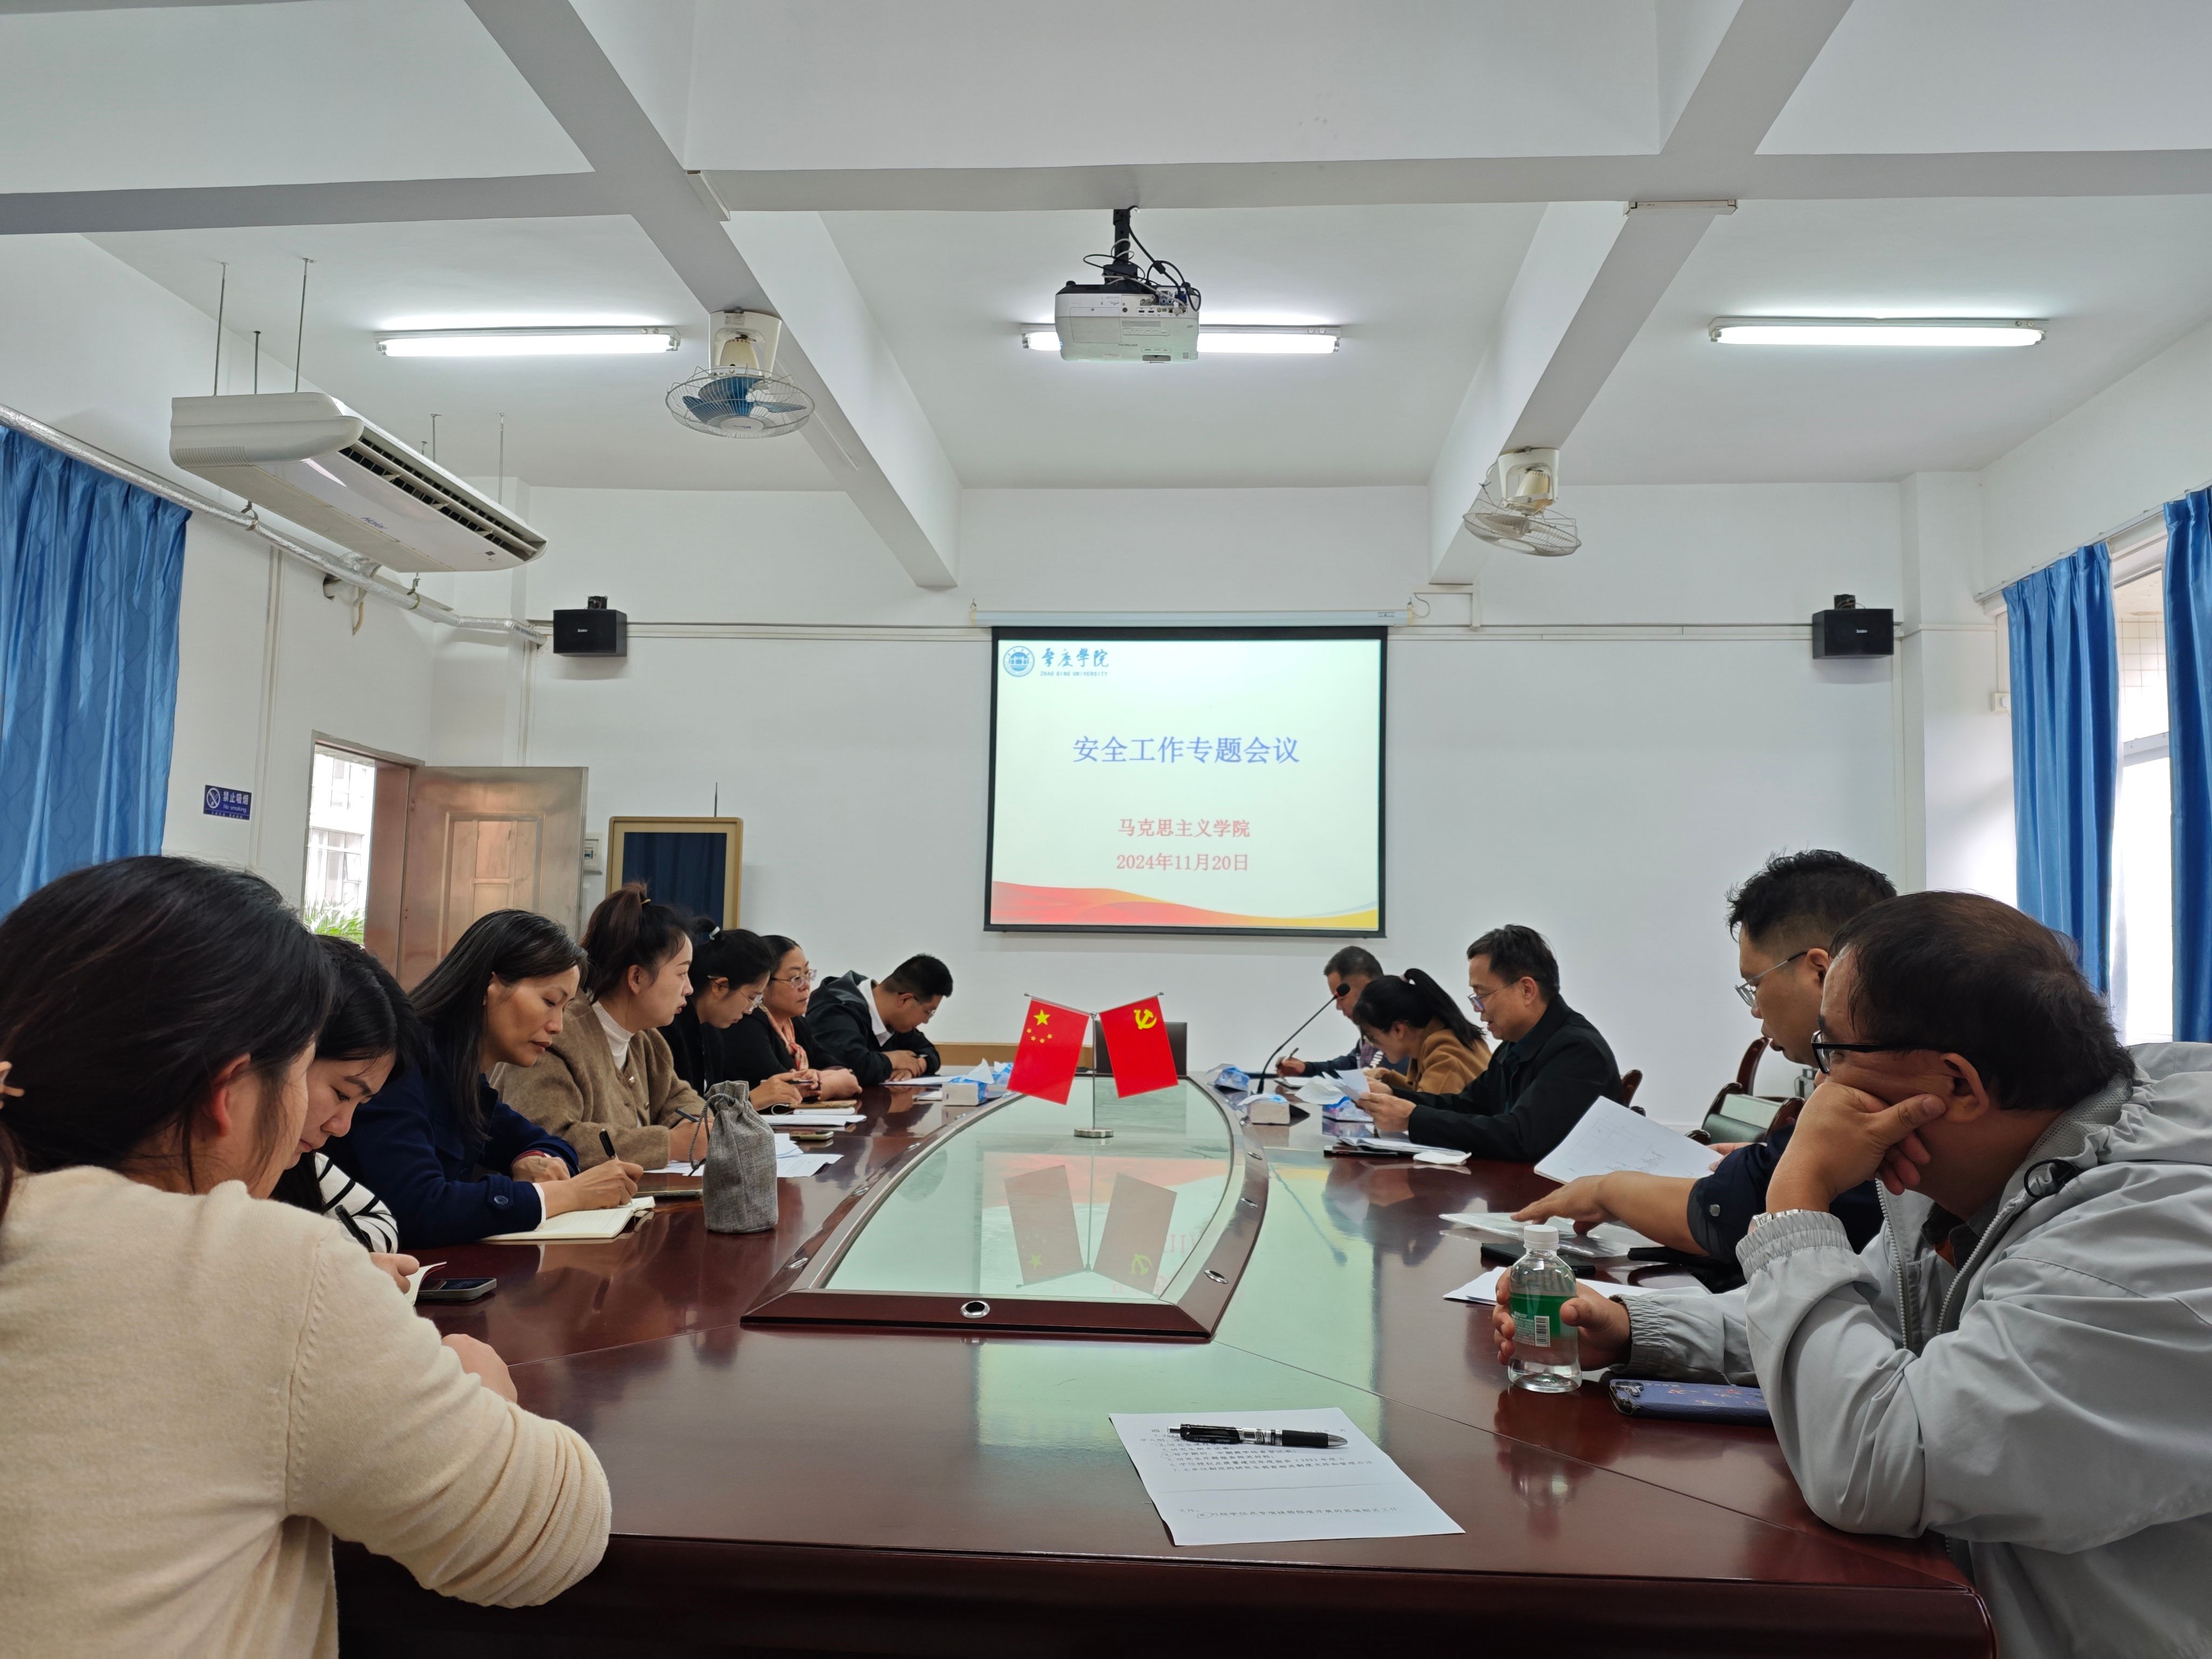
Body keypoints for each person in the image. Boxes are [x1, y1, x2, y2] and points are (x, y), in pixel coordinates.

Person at [1489, 892, 2212, 1659]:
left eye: (1832, 1051)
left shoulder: (2147, 1248)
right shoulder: (1982, 1166)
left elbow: (1877, 1466)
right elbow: (1861, 1323)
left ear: (1956, 1085)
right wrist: (1640, 1328)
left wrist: (1797, 1192)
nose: (1819, 1084)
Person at [0, 857, 609, 1653]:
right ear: (228, 1093)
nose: (329, 1123)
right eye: (309, 1073)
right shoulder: (254, 1269)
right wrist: (477, 1379)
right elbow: (550, 1533)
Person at [1513, 851, 1893, 1257]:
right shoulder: (1870, 1067)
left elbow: (1732, 1215)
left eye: (1755, 984)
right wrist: (1771, 1160)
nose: (1755, 1009)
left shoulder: (1875, 1087)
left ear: (1820, 972)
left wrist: (1606, 1190)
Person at [331, 909, 641, 1247]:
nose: (558, 1026)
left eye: (564, 1009)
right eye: (550, 1002)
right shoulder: (401, 1063)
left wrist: (533, 1161)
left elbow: (551, 1142)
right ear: (486, 987)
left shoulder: (461, 1073)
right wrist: (568, 1194)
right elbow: (420, 1208)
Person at [503, 885, 732, 1170]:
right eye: (682, 974)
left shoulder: (646, 1040)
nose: (689, 988)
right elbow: (550, 1139)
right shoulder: (555, 1035)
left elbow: (677, 1098)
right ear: (636, 977)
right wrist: (670, 1144)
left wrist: (704, 1125)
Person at [1358, 925, 1620, 1161]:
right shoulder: (1514, 1046)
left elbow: (1521, 1137)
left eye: (1482, 994)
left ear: (1527, 990)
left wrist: (1412, 1119)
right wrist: (1394, 1096)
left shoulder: (1577, 1051)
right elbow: (1467, 1105)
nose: (1477, 1008)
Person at [271, 935, 408, 1279]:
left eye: (361, 1104)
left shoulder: (303, 1164)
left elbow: (382, 1220)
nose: (342, 1126)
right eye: (342, 1094)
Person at [723, 936, 860, 1100]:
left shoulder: (795, 1022)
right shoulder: (747, 1024)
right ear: (763, 983)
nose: (806, 985)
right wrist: (831, 1085)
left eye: (807, 974)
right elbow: (783, 1093)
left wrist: (818, 1078)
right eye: (795, 978)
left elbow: (837, 1068)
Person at [663, 922, 779, 1096]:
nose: (750, 1010)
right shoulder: (668, 1029)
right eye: (751, 997)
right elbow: (677, 1108)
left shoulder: (712, 1035)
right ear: (720, 986)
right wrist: (751, 1100)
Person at [808, 955, 950, 1085]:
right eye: (928, 1012)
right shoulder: (836, 1011)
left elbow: (929, 1051)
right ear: (905, 999)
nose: (926, 1021)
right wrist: (895, 1060)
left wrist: (916, 1065)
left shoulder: (894, 1019)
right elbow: (850, 1068)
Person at [1352, 970, 1491, 1097]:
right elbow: (1425, 1097)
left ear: (1398, 1030)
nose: (1373, 1045)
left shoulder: (1445, 1058)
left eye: (1372, 1037)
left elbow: (1428, 1112)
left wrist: (1386, 1096)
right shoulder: (1440, 1041)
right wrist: (1388, 1079)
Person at [1276, 945, 1382, 1077]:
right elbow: (1355, 1063)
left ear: (1368, 988)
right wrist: (1308, 1069)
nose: (1338, 1007)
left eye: (1342, 998)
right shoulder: (1368, 1027)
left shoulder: (1397, 1024)